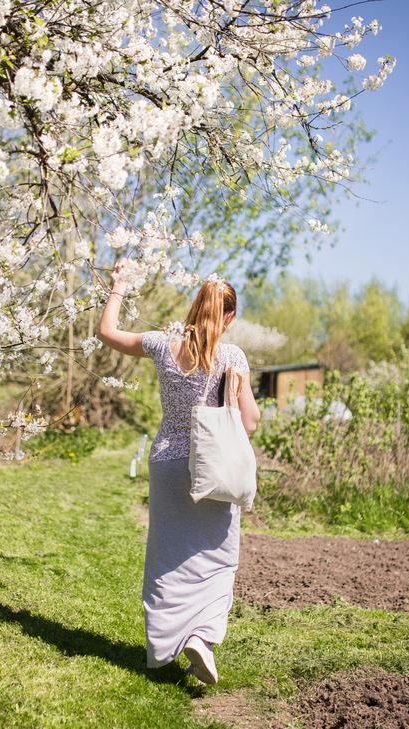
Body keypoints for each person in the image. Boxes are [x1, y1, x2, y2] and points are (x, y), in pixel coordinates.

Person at [97, 263, 261, 685]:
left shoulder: (161, 345)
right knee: (216, 558)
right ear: (229, 317)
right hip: (215, 468)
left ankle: (170, 640)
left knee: (168, 557)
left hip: (169, 463)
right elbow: (250, 423)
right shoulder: (233, 357)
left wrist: (118, 287)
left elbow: (108, 333)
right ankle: (201, 638)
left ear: (194, 307)